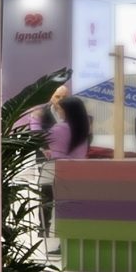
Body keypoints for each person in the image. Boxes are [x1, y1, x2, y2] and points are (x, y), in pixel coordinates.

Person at [39, 92, 91, 236]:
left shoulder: (59, 128)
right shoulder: (83, 127)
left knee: (58, 206)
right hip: (78, 172)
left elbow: (39, 138)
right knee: (73, 208)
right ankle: (71, 238)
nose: (59, 111)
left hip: (60, 172)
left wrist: (33, 120)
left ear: (68, 111)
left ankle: (59, 237)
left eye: (61, 109)